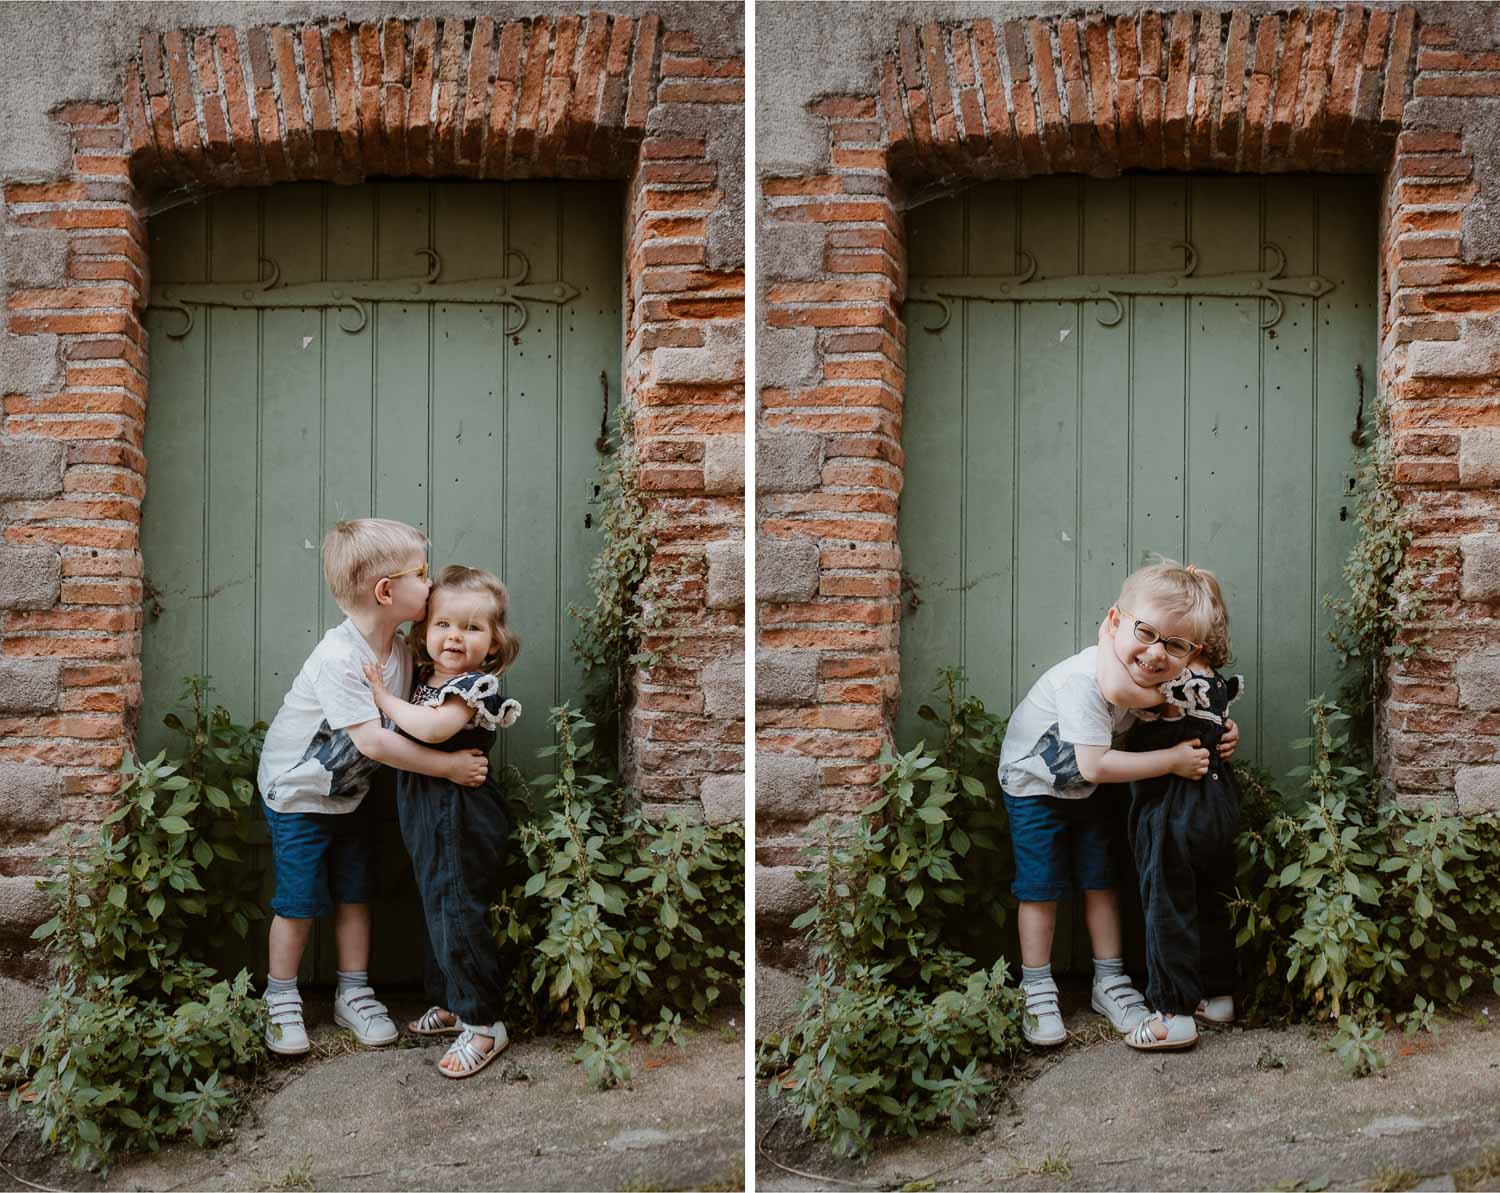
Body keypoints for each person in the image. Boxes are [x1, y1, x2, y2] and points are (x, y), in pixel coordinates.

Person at [256, 519, 489, 1057]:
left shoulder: (401, 650)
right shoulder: (341, 658)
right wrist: (448, 767)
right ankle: (281, 996)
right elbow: (375, 745)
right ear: (387, 592)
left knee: (356, 892)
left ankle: (354, 992)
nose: (430, 585)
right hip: (297, 797)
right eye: (422, 574)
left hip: (351, 795)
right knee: (297, 901)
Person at [997, 556, 1237, 1046]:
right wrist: (1172, 760)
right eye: (1145, 633)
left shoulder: (1157, 674)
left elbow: (1196, 711)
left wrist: (1224, 732)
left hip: (1091, 793)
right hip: (1036, 785)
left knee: (1101, 880)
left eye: (1174, 646)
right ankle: (1038, 987)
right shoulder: (1087, 681)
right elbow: (1095, 765)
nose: (1155, 654)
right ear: (1114, 623)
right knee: (1040, 888)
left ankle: (1109, 982)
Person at [363, 564, 522, 1079]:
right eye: (444, 624)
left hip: (460, 807)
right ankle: (453, 1001)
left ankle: (484, 1022)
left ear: (493, 644)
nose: (456, 636)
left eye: (473, 628)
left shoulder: (476, 686)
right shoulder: (424, 676)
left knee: (457, 903)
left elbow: (433, 731)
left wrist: (382, 699)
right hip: (422, 804)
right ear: (424, 630)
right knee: (434, 899)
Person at [1097, 563, 1243, 1052]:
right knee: (1209, 894)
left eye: (1174, 645)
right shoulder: (1206, 675)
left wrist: (1108, 631)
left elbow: (1117, 689)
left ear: (1193, 647)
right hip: (1217, 797)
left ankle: (1172, 1013)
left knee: (1167, 902)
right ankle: (1217, 995)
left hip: (1174, 802)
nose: (1158, 654)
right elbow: (1216, 722)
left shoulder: (1165, 683)